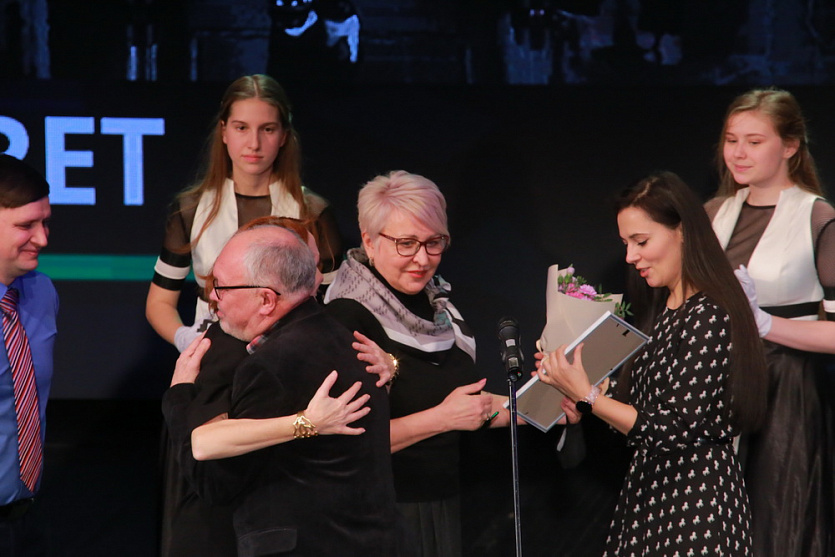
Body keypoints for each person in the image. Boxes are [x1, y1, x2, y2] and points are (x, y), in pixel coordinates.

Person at [537, 171, 768, 556]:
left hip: (695, 506)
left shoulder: (709, 313)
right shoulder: (666, 309)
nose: (631, 257)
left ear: (683, 231)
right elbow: (645, 408)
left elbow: (671, 428)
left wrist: (588, 395)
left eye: (641, 241)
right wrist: (581, 384)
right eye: (626, 244)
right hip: (652, 494)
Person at [160, 216, 392, 557]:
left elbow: (213, 480)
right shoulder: (341, 336)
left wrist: (179, 395)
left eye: (222, 286)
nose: (213, 297)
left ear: (267, 299)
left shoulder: (273, 364)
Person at [324, 170, 513, 557]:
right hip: (379, 514)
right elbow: (346, 440)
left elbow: (471, 406)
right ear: (369, 240)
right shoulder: (347, 316)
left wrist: (552, 404)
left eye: (433, 242)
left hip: (441, 503)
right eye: (406, 243)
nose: (423, 259)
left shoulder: (439, 305)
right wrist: (442, 418)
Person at [705, 87, 835, 557]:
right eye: (731, 140)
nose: (738, 153)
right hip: (717, 389)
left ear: (790, 146)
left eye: (754, 141)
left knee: (775, 526)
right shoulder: (713, 214)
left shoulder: (817, 217)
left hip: (786, 392)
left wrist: (765, 325)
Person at [146, 73, 343, 352]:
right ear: (224, 131)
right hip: (212, 357)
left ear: (284, 135)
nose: (254, 143)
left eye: (267, 129)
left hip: (291, 357)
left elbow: (337, 304)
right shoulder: (192, 208)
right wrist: (185, 339)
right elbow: (159, 302)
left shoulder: (312, 211)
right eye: (241, 128)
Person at [0, 155, 58, 556]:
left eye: (45, 222)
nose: (42, 239)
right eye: (26, 226)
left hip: (27, 516)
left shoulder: (42, 293)